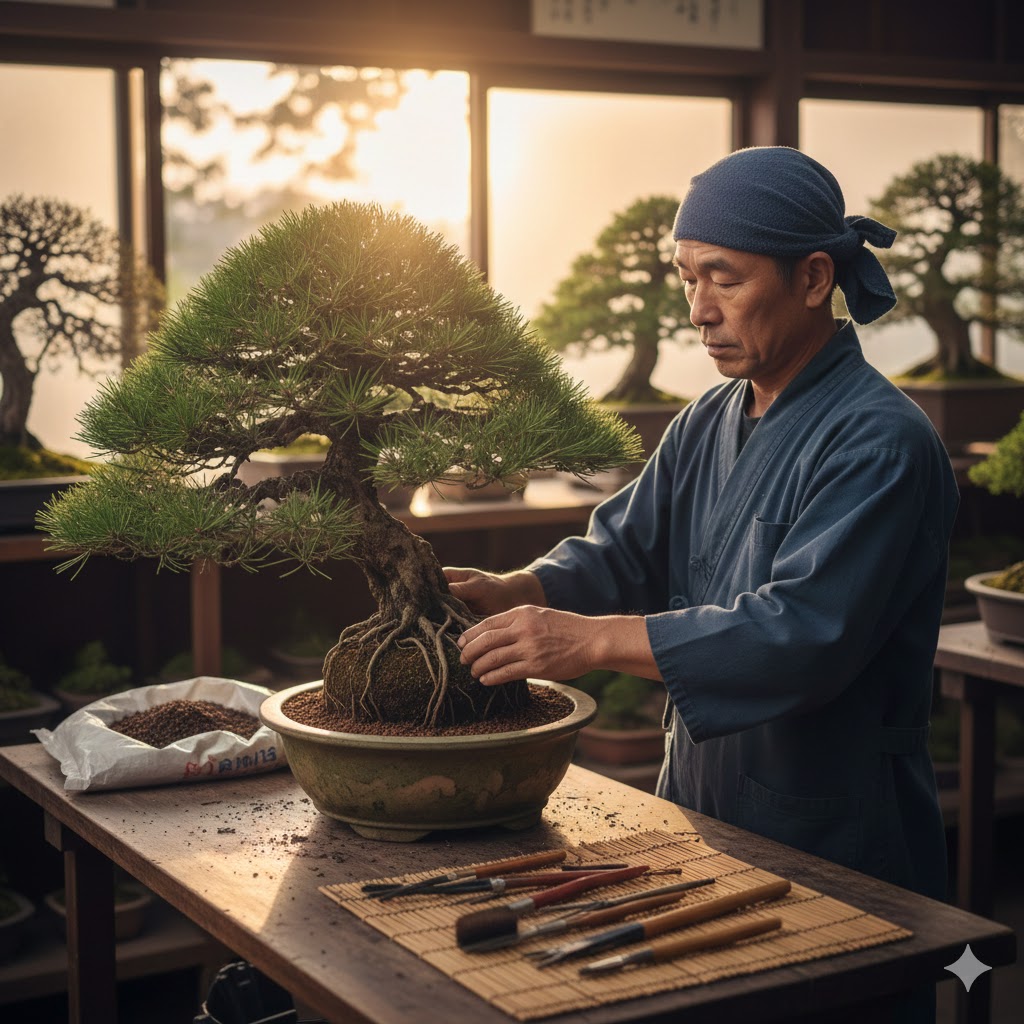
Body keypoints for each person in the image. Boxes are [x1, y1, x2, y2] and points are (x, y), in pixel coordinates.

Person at [446, 147, 958, 913]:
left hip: (836, 816)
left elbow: (803, 633)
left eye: (724, 277)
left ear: (814, 278)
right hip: (699, 796)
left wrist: (588, 641)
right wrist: (519, 588)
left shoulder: (881, 440)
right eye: (688, 279)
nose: (698, 311)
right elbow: (625, 548)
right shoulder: (707, 419)